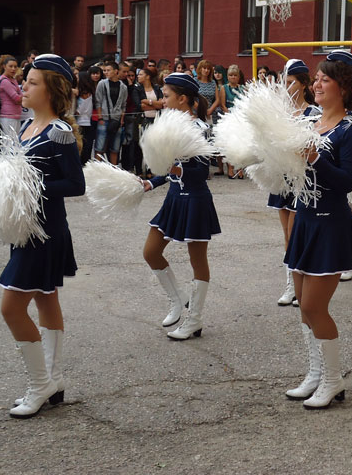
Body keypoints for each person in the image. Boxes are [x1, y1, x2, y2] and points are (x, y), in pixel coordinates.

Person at [0, 54, 85, 419]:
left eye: (31, 82)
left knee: (11, 307)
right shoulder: (25, 128)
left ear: (50, 89)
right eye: (24, 81)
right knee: (47, 299)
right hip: (27, 230)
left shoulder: (58, 132)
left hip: (46, 232)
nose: (23, 87)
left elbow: (76, 184)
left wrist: (32, 185)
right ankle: (55, 378)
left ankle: (39, 385)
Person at [284, 51, 352, 409]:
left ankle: (333, 380)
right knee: (304, 305)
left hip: (330, 225)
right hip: (303, 219)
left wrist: (315, 158)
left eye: (324, 79)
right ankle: (315, 373)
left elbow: (346, 182)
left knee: (316, 306)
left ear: (344, 87)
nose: (316, 84)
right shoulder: (309, 121)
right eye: (315, 78)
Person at [142, 73, 220, 340]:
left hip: (196, 200)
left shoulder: (200, 128)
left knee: (197, 260)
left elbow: (201, 171)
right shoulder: (168, 124)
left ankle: (194, 320)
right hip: (174, 198)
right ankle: (177, 300)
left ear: (183, 98)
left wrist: (171, 167)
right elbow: (167, 168)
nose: (162, 101)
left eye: (166, 96)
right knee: (151, 252)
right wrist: (151, 183)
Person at [268, 59, 319, 306]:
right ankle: (291, 285)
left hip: (304, 180)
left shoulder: (313, 112)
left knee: (296, 233)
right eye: (284, 83)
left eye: (290, 83)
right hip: (283, 179)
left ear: (303, 84)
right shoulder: (279, 114)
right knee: (287, 237)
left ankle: (305, 283)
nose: (286, 88)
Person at [94, 61, 127, 165]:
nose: (106, 73)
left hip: (116, 120)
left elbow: (123, 105)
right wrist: (100, 118)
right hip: (104, 118)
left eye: (108, 70)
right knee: (99, 146)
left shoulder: (123, 87)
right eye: (105, 70)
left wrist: (121, 121)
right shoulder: (102, 83)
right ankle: (96, 169)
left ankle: (114, 169)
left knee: (115, 148)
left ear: (116, 71)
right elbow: (98, 101)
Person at [223, 64, 246, 178]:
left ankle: (239, 168)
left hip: (240, 118)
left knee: (240, 144)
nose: (233, 77)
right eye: (231, 75)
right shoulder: (223, 88)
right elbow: (222, 105)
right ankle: (230, 168)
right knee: (229, 144)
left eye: (235, 75)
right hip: (228, 117)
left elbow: (245, 103)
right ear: (228, 76)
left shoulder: (242, 88)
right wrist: (230, 115)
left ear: (238, 76)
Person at [0, 56, 23, 139]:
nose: (13, 69)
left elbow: (20, 96)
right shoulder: (4, 81)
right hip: (8, 116)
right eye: (10, 66)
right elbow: (17, 99)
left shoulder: (13, 80)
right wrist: (25, 96)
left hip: (16, 115)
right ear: (4, 66)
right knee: (9, 144)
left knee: (15, 144)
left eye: (15, 66)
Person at [75, 72, 96, 165]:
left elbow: (80, 110)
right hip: (87, 121)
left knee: (82, 147)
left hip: (82, 122)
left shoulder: (84, 93)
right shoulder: (89, 92)